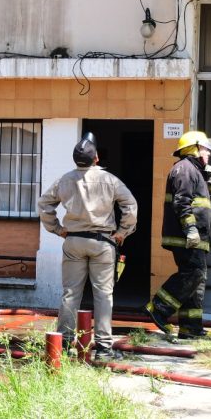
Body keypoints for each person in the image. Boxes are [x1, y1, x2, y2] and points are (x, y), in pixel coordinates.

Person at [38, 132, 138, 361]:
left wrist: (58, 229)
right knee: (103, 294)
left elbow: (44, 204)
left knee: (71, 293)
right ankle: (103, 348)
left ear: (75, 160)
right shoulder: (110, 180)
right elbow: (130, 205)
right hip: (103, 242)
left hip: (73, 241)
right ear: (97, 159)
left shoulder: (64, 180)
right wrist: (123, 232)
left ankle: (62, 343)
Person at [144, 130, 211, 341]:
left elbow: (203, 203)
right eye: (205, 149)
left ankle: (191, 327)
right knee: (193, 274)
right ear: (194, 148)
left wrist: (210, 181)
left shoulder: (197, 171)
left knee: (197, 282)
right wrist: (191, 230)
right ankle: (158, 308)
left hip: (198, 238)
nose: (208, 153)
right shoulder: (184, 169)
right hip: (187, 237)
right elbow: (182, 203)